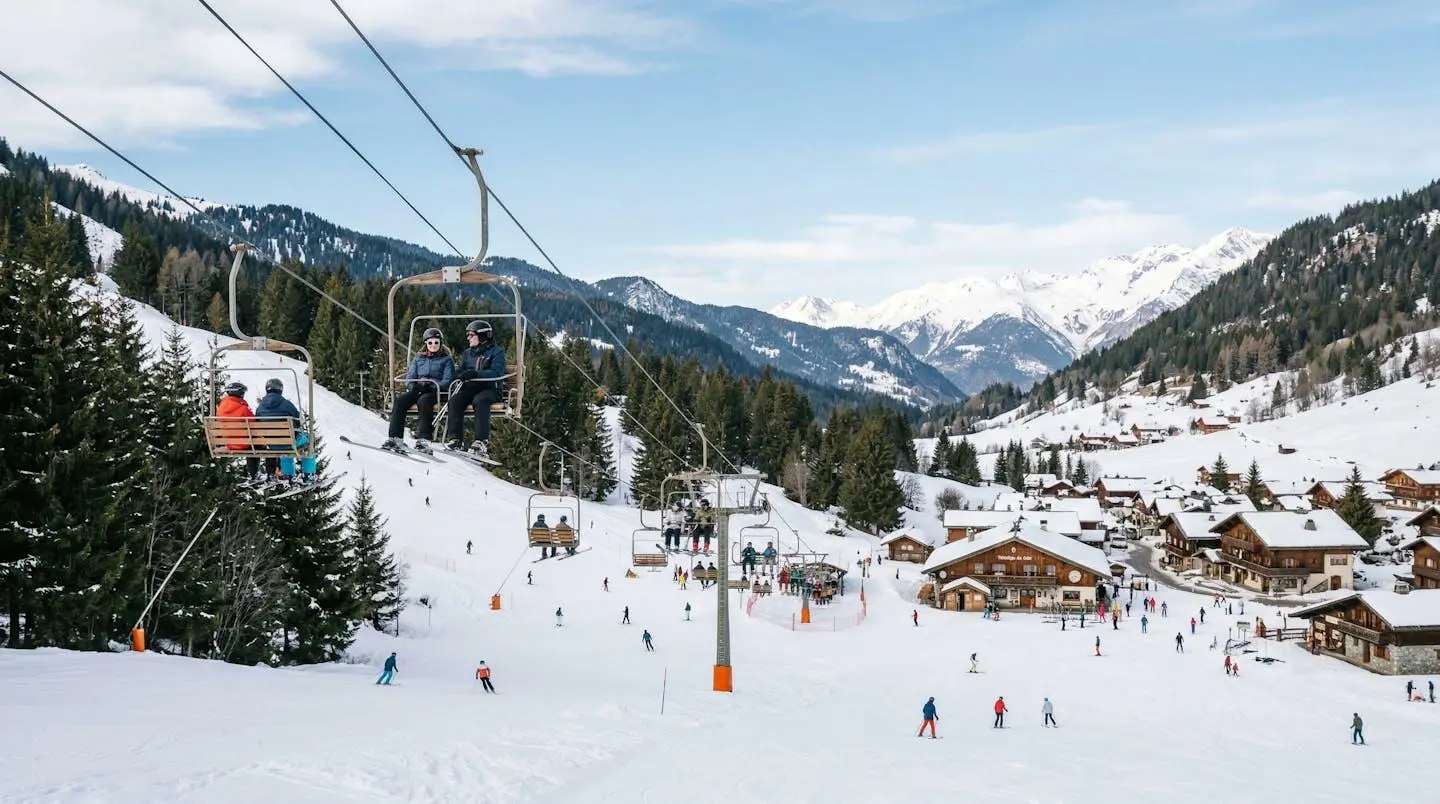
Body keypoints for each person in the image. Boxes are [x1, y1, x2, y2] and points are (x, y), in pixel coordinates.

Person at [444, 319, 507, 460]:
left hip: (489, 389)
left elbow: (496, 373)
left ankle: (481, 442)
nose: (468, 338)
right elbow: (460, 370)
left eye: (471, 335)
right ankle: (455, 439)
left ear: (482, 336)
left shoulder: (497, 352)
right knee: (455, 400)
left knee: (480, 401)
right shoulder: (468, 353)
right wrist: (461, 375)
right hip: (471, 388)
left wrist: (476, 374)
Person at [385, 328, 454, 451]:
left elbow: (447, 380)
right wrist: (414, 385)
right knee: (400, 401)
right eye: (430, 342)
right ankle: (395, 438)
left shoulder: (446, 360)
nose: (433, 345)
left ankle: (424, 439)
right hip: (419, 389)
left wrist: (433, 384)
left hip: (436, 391)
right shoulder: (418, 359)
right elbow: (410, 377)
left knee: (424, 401)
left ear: (440, 343)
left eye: (436, 342)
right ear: (426, 344)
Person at [254, 377, 310, 479]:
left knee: (286, 444)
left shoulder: (260, 407)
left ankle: (279, 474)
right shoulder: (287, 405)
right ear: (280, 390)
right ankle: (307, 474)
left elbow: (257, 423)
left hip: (269, 443)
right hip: (287, 442)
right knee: (308, 440)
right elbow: (297, 421)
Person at [217, 381, 262, 481]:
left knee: (250, 443)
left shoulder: (221, 408)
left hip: (230, 444)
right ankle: (255, 473)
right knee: (257, 444)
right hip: (245, 444)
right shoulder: (243, 408)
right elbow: (254, 424)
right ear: (240, 394)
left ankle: (252, 475)